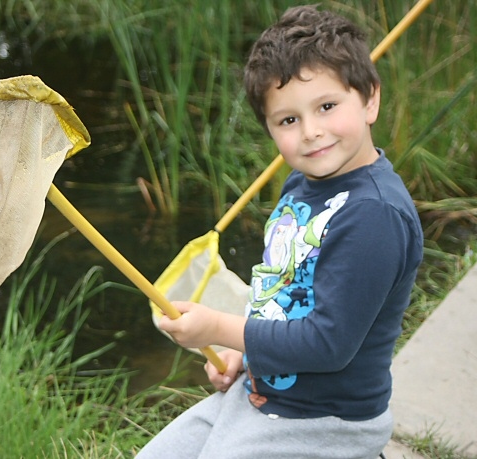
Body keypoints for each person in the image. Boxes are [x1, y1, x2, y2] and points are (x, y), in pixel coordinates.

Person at [136, 5, 423, 459]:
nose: (311, 132)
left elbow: (328, 344)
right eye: (288, 120)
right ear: (270, 128)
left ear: (370, 99)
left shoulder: (375, 217)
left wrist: (220, 328)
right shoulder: (302, 185)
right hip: (262, 392)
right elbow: (284, 291)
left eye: (327, 106)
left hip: (326, 419)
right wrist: (245, 356)